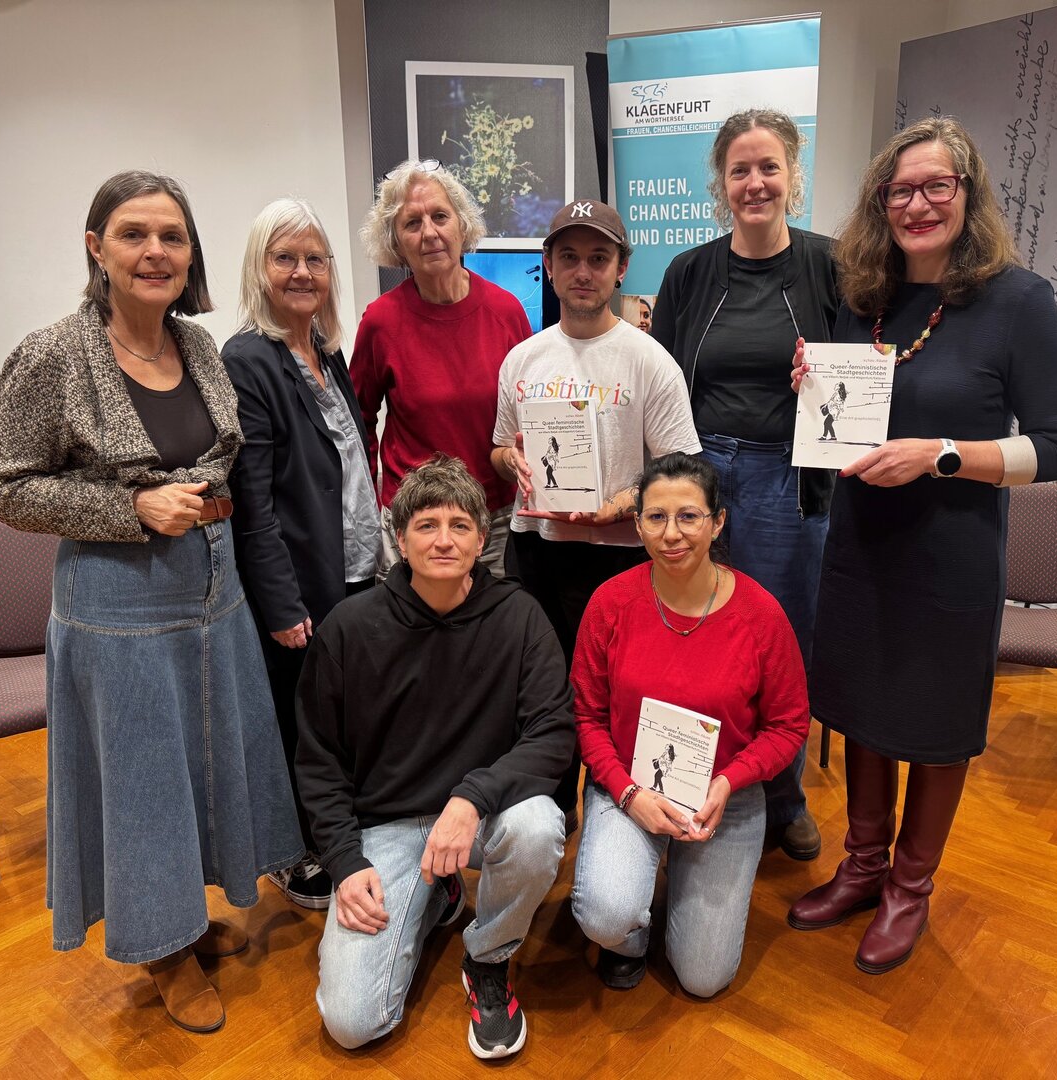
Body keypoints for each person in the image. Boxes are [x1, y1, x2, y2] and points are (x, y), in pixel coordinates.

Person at [0, 171, 303, 1034]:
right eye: (133, 234)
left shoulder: (197, 347)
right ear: (97, 248)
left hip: (213, 593)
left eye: (172, 235)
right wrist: (130, 509)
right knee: (145, 783)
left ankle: (193, 916)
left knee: (207, 762)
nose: (155, 252)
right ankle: (161, 949)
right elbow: (8, 491)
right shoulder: (51, 356)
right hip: (117, 607)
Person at [787, 117, 1057, 974]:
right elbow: (852, 418)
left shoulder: (1018, 302)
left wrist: (943, 455)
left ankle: (911, 887)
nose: (917, 204)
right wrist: (817, 386)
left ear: (967, 194)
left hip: (950, 555)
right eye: (901, 190)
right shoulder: (866, 296)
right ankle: (864, 865)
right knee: (867, 711)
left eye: (936, 186)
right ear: (883, 202)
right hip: (862, 544)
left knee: (938, 723)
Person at [296, 454, 574, 1061]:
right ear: (398, 538)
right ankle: (436, 897)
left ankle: (489, 957)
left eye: (459, 525)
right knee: (352, 1023)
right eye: (426, 525)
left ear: (482, 537)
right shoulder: (348, 628)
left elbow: (553, 733)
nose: (443, 540)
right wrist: (344, 861)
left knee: (537, 826)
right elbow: (319, 760)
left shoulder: (520, 618)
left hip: (481, 816)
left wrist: (472, 796)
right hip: (388, 824)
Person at [650, 108, 840, 863]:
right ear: (720, 184)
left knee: (781, 642)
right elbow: (664, 381)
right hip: (699, 473)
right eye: (740, 170)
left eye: (769, 167)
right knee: (692, 632)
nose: (755, 183)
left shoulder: (830, 267)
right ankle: (683, 778)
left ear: (794, 176)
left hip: (786, 480)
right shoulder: (690, 272)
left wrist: (826, 372)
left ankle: (783, 794)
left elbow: (869, 367)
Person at [491, 199, 700, 821]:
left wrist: (622, 506)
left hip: (619, 559)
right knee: (544, 694)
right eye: (570, 258)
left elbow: (683, 470)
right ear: (549, 269)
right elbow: (501, 449)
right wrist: (514, 463)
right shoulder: (523, 359)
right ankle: (551, 812)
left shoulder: (648, 361)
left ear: (621, 269)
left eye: (599, 259)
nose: (584, 272)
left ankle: (620, 813)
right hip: (536, 551)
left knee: (617, 695)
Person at [571, 452, 808, 995]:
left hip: (723, 796)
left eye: (689, 517)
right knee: (607, 915)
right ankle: (629, 933)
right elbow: (585, 715)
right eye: (655, 517)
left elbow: (790, 725)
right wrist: (627, 793)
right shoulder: (610, 603)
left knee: (704, 978)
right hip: (628, 785)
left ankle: (679, 877)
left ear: (717, 521)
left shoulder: (761, 614)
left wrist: (730, 781)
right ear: (637, 524)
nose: (671, 534)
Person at [220, 198, 379, 911]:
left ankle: (333, 829)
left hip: (352, 568)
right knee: (297, 720)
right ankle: (291, 852)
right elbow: (251, 500)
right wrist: (282, 603)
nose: (303, 271)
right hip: (299, 583)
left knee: (335, 713)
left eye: (315, 258)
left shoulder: (326, 349)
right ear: (260, 268)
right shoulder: (248, 359)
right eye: (285, 257)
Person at [352, 159, 532, 578]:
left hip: (493, 519)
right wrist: (377, 505)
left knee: (490, 637)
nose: (429, 233)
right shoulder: (381, 322)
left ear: (462, 227)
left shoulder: (506, 311)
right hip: (416, 519)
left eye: (439, 216)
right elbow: (359, 422)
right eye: (411, 223)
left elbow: (530, 413)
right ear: (396, 243)